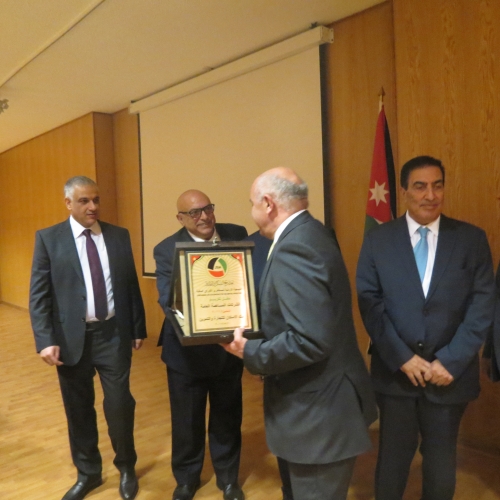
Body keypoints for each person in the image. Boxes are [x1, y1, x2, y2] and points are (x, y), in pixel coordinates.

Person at [223, 167, 377, 500]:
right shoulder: (312, 232)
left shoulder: (295, 247)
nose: (251, 212)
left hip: (318, 417)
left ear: (268, 204)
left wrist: (249, 351)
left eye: (251, 204)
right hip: (319, 408)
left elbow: (309, 340)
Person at [356, 155, 495, 500]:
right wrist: (402, 357)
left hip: (448, 377)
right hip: (396, 374)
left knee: (441, 464)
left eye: (437, 186)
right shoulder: (378, 240)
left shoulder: (471, 239)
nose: (430, 195)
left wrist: (452, 360)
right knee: (392, 461)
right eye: (420, 187)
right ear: (404, 192)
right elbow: (370, 302)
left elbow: (482, 304)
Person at [29, 176, 146, 500]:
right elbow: (39, 296)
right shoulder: (49, 239)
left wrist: (137, 327)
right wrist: (45, 339)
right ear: (68, 203)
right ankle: (89, 473)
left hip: (113, 335)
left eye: (96, 199)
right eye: (84, 201)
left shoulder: (118, 236)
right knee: (78, 410)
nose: (92, 206)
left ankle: (126, 467)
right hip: (70, 339)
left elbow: (130, 284)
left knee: (120, 405)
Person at [153, 190, 247, 500]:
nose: (204, 216)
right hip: (186, 354)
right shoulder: (166, 249)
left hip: (229, 349)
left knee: (227, 416)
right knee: (187, 421)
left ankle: (229, 479)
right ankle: (186, 480)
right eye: (194, 212)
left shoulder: (236, 234)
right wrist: (202, 322)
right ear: (180, 219)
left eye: (207, 208)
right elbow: (168, 300)